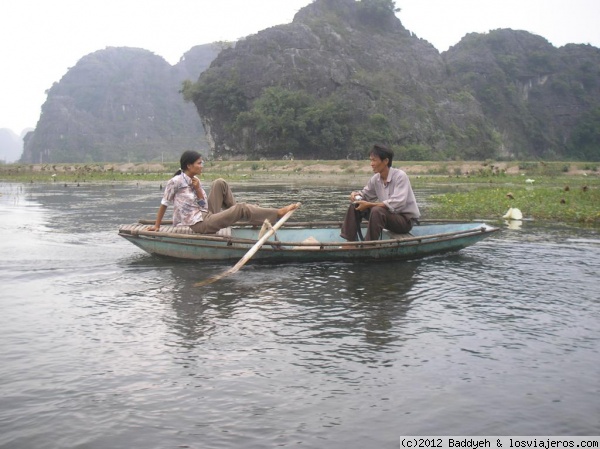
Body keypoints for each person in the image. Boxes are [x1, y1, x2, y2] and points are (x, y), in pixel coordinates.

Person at [147, 150, 298, 234]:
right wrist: (157, 226)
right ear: (189, 165)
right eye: (199, 163)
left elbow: (202, 204)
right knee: (241, 207)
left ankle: (243, 213)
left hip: (206, 213)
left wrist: (199, 189)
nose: (202, 166)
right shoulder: (175, 182)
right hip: (199, 224)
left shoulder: (195, 181)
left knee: (220, 183)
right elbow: (164, 204)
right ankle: (276, 213)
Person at [340, 144, 420, 241]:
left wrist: (370, 204)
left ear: (385, 161)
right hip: (388, 216)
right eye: (371, 160)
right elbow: (365, 194)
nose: (371, 164)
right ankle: (349, 241)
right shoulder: (376, 179)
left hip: (404, 221)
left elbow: (398, 202)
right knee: (355, 206)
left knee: (377, 210)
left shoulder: (400, 176)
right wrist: (356, 195)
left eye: (374, 160)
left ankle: (368, 244)